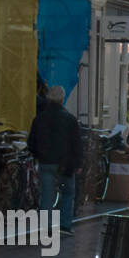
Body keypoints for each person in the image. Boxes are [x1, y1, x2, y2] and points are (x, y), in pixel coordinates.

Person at [27, 86, 82, 236]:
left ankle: (45, 227)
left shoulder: (39, 119)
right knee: (68, 193)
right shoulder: (70, 119)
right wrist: (77, 164)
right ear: (62, 99)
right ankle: (64, 226)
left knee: (46, 195)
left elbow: (31, 142)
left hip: (46, 163)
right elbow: (76, 143)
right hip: (65, 164)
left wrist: (39, 155)